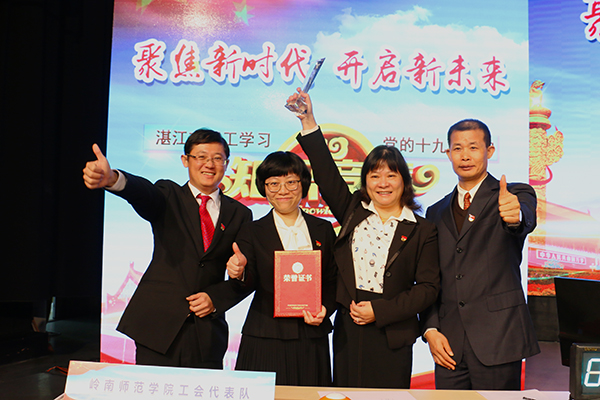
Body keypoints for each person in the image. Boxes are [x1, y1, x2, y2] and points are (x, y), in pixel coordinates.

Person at [288, 90, 440, 389]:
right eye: (374, 176)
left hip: (393, 331)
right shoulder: (353, 212)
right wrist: (308, 121)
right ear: (365, 181)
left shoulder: (422, 229)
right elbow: (327, 174)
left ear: (404, 181)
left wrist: (379, 311)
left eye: (391, 176)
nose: (383, 183)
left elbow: (427, 289)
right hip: (350, 326)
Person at [82, 129, 252, 368]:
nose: (209, 164)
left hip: (206, 332)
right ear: (185, 160)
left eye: (217, 158)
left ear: (226, 163)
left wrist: (216, 297)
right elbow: (144, 193)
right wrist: (113, 179)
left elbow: (246, 274)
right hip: (157, 326)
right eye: (201, 157)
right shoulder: (169, 195)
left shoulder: (240, 214)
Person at [421, 119, 539, 390]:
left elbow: (523, 219)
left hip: (499, 338)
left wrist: (515, 216)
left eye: (473, 147)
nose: (465, 156)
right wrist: (430, 329)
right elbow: (430, 278)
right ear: (448, 153)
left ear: (489, 151)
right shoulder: (435, 212)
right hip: (449, 345)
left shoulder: (514, 194)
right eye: (457, 148)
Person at [225, 151, 337, 386]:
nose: (283, 190)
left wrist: (325, 308)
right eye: (274, 183)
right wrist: (239, 272)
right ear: (264, 188)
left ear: (303, 184)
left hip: (311, 335)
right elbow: (247, 281)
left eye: (291, 182)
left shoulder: (323, 229)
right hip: (265, 334)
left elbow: (333, 279)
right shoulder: (252, 230)